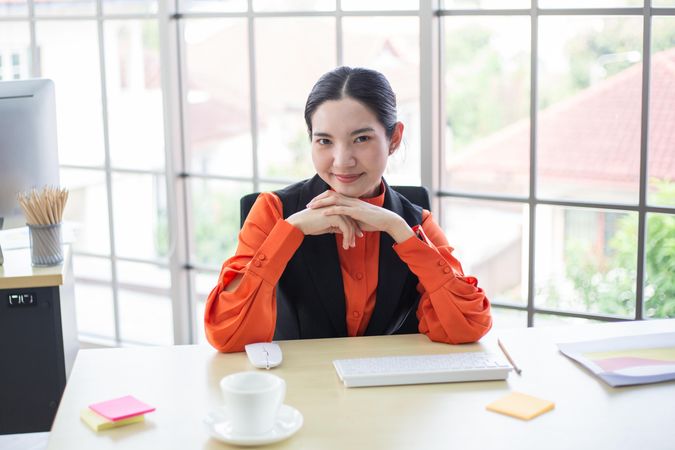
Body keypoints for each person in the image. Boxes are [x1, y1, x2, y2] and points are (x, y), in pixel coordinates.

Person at [205, 66, 492, 353]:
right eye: (324, 141)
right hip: (300, 388)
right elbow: (226, 335)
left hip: (390, 388)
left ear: (393, 139)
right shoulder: (273, 211)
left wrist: (399, 232)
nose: (342, 161)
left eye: (361, 139)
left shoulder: (416, 223)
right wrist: (291, 232)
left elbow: (468, 327)